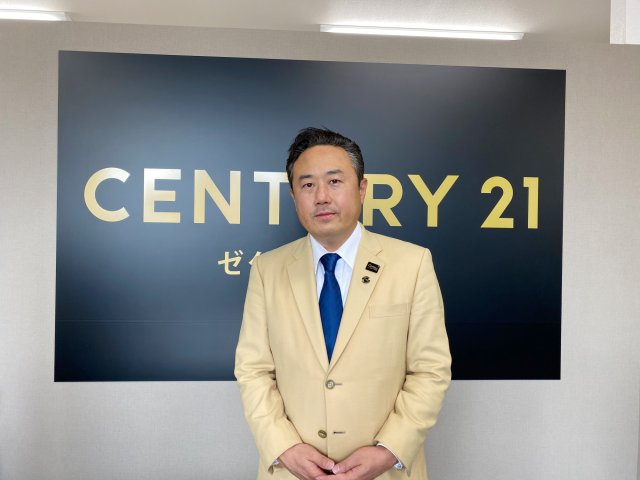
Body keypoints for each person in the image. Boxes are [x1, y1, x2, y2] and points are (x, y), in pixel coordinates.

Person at [235, 127, 451, 480]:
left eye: (334, 182)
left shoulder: (412, 264)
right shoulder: (267, 269)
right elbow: (253, 369)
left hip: (386, 471)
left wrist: (389, 450)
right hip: (294, 471)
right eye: (307, 185)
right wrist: (283, 447)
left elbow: (430, 369)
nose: (321, 197)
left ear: (361, 188)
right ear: (293, 195)